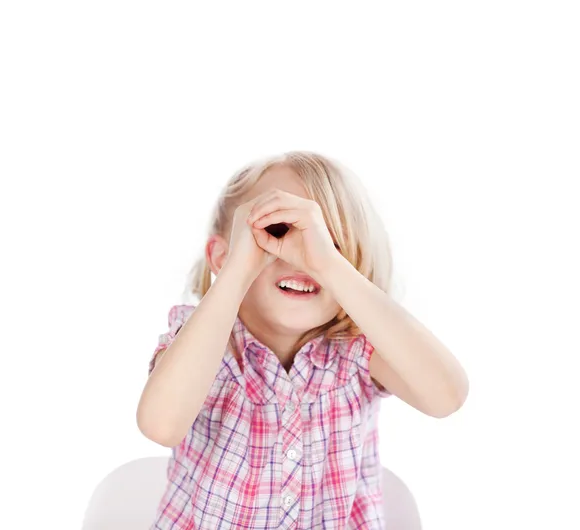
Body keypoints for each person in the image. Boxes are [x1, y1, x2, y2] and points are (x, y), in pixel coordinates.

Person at [136, 150, 468, 529]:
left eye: (330, 242)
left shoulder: (357, 350)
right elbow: (161, 426)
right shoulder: (201, 342)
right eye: (276, 232)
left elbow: (447, 396)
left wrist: (328, 264)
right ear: (222, 256)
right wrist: (236, 272)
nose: (299, 258)